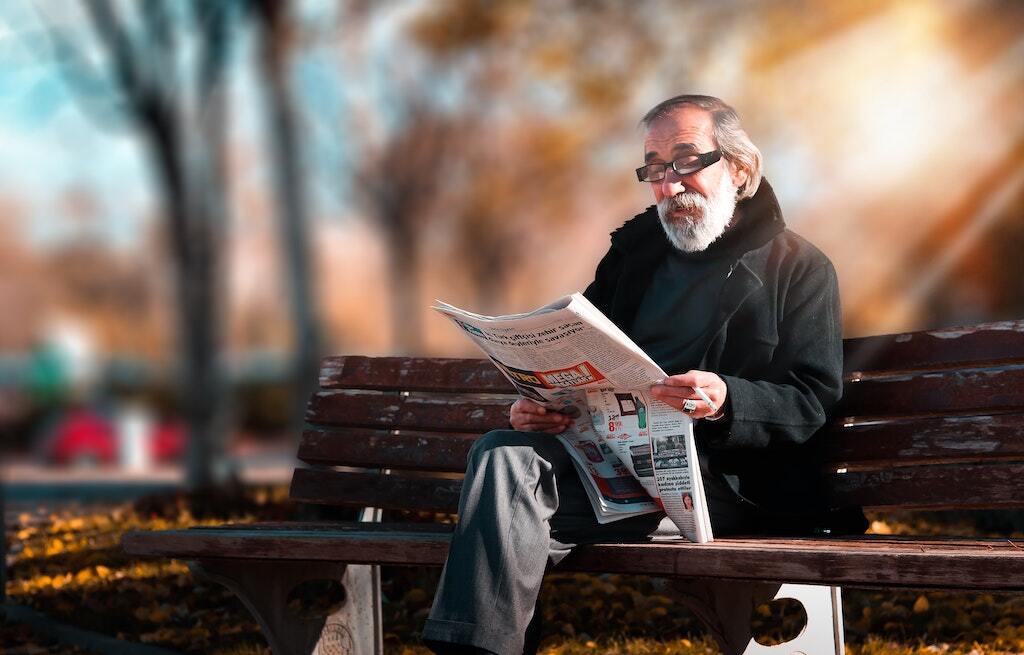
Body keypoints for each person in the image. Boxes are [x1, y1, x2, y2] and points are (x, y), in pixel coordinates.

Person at [422, 94, 866, 655]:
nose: (668, 184)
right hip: (614, 471)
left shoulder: (799, 268)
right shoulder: (632, 261)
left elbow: (811, 402)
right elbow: (577, 354)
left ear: (740, 169)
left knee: (513, 522)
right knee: (503, 452)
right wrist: (543, 406)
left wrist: (727, 399)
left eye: (685, 161)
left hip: (725, 484)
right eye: (654, 169)